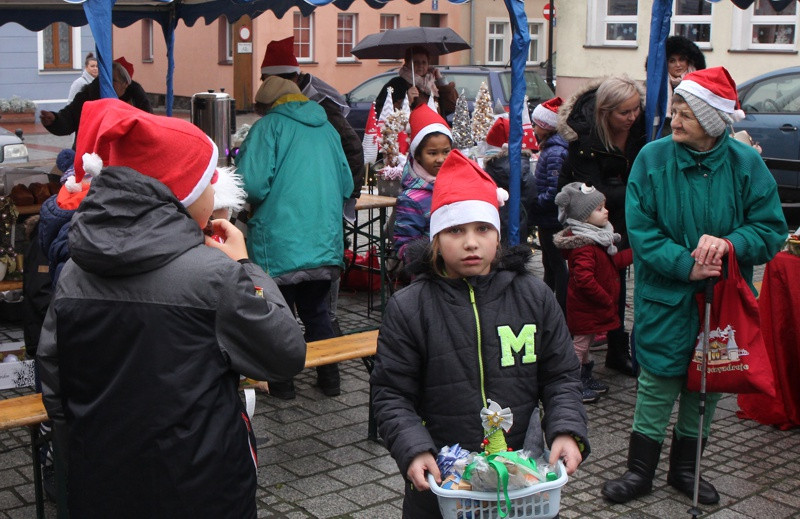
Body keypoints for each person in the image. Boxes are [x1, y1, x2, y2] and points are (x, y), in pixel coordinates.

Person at [37, 98, 307, 517]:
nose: (216, 191)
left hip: (103, 482)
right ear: (180, 195)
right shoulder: (214, 276)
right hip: (200, 486)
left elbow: (55, 379)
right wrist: (246, 266)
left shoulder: (75, 272)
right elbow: (285, 354)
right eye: (208, 183)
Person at [371, 149, 590, 518]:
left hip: (523, 480)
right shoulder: (410, 307)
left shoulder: (533, 296)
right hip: (442, 484)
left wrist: (566, 429)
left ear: (498, 234)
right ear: (436, 238)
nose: (471, 242)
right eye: (456, 230)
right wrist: (413, 448)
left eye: (482, 229)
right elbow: (391, 393)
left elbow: (561, 376)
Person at [602, 67, 786, 506]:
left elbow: (770, 229)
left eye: (685, 113)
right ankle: (639, 471)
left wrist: (728, 245)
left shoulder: (746, 164)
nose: (674, 121)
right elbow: (641, 230)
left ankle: (686, 470)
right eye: (674, 111)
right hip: (665, 297)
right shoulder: (652, 159)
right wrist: (686, 264)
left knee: (708, 383)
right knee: (658, 381)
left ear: (711, 119)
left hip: (723, 301)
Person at [236, 76, 353, 400]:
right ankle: (330, 380)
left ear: (266, 106)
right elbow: (347, 184)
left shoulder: (268, 128)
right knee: (317, 311)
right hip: (323, 243)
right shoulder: (327, 127)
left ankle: (282, 385)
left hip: (280, 243)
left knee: (278, 315)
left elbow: (253, 185)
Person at [260, 36, 365, 335]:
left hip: (306, 222)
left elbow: (352, 149)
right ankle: (327, 374)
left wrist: (344, 199)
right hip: (316, 224)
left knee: (301, 307)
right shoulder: (297, 108)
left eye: (269, 80)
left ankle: (288, 378)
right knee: (314, 305)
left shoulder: (319, 105)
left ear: (288, 79)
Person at [558, 75, 646, 377]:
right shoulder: (585, 139)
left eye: (636, 109)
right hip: (591, 221)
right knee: (595, 284)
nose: (633, 117)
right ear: (605, 112)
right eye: (625, 112)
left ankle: (617, 348)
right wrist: (634, 189)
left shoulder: (641, 127)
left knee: (618, 283)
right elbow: (592, 194)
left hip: (621, 217)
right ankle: (578, 359)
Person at [553, 182, 633, 404]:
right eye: (599, 209)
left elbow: (612, 262)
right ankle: (573, 383)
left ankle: (584, 378)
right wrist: (605, 298)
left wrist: (634, 254)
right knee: (580, 345)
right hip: (586, 307)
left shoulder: (597, 238)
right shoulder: (585, 247)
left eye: (605, 206)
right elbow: (584, 279)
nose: (606, 211)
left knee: (585, 344)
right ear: (584, 217)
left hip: (590, 307)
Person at [39, 57, 152, 148]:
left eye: (113, 81)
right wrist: (54, 119)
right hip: (88, 156)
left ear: (125, 84)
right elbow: (69, 118)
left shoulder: (136, 98)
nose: (108, 85)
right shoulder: (88, 96)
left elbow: (147, 125)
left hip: (125, 155)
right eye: (105, 80)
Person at [392, 104, 452, 262]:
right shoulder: (411, 199)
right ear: (417, 156)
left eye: (446, 151)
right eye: (432, 153)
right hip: (429, 276)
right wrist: (436, 255)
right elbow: (404, 247)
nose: (440, 159)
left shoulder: (457, 187)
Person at [528, 96, 569, 313]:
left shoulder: (554, 152)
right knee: (550, 265)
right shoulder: (551, 148)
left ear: (546, 126)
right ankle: (547, 306)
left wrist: (536, 203)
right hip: (547, 217)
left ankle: (559, 308)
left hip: (551, 219)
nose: (534, 128)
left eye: (536, 124)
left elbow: (554, 190)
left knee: (556, 266)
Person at [482, 114, 537, 247]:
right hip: (519, 222)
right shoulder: (523, 166)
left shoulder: (491, 168)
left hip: (497, 223)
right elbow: (532, 195)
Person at [375, 45, 457, 118]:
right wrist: (406, 101)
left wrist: (441, 80)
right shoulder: (396, 84)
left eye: (424, 62)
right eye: (416, 62)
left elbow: (453, 106)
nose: (420, 65)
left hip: (436, 131)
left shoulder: (434, 84)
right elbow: (383, 113)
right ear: (407, 63)